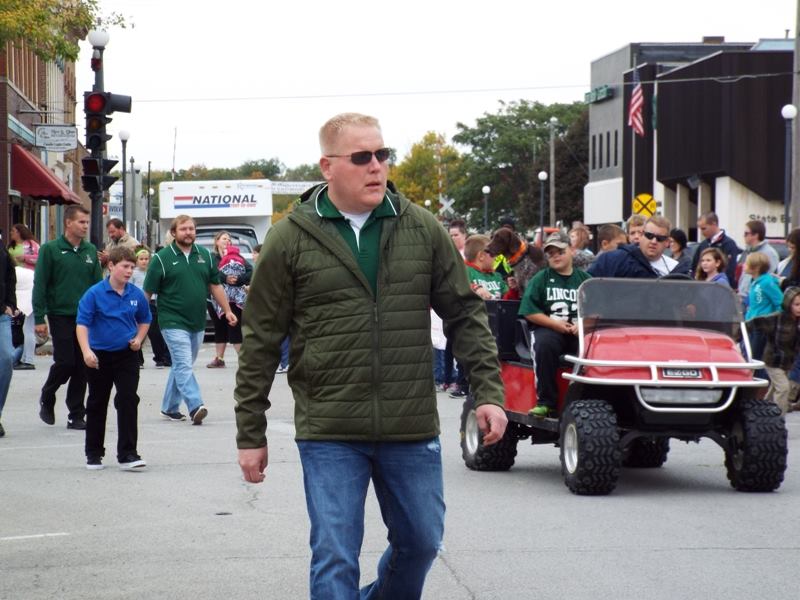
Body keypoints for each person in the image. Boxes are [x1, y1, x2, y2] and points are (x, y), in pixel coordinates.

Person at [235, 112, 506, 599]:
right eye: (362, 157)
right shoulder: (290, 238)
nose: (376, 166)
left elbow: (465, 313)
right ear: (328, 166)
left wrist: (488, 391)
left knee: (422, 543)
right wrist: (250, 432)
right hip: (330, 428)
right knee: (335, 554)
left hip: (409, 424)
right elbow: (260, 340)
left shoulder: (421, 228)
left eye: (383, 154)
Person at [143, 215, 238, 424]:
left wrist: (227, 310)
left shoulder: (205, 255)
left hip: (196, 321)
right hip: (172, 320)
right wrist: (139, 320)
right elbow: (147, 291)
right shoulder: (162, 258)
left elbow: (215, 285)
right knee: (184, 363)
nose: (188, 232)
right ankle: (195, 405)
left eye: (191, 229)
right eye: (183, 229)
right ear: (174, 233)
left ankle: (169, 407)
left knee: (181, 364)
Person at [76, 247, 151, 470]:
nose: (129, 271)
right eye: (125, 266)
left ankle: (128, 454)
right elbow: (82, 324)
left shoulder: (135, 294)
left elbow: (145, 319)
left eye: (132, 267)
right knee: (97, 402)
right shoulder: (94, 294)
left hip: (126, 354)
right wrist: (86, 351)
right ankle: (93, 453)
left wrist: (139, 339)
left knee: (128, 399)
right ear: (111, 266)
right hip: (99, 355)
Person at [33, 205, 102, 430]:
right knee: (66, 362)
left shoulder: (90, 251)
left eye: (87, 222)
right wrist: (39, 317)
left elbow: (97, 287)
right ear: (68, 222)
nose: (85, 226)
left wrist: (102, 314)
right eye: (81, 222)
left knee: (83, 366)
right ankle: (48, 393)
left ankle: (76, 414)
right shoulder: (50, 249)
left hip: (86, 318)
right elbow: (40, 284)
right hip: (60, 314)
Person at [519, 232, 591, 418]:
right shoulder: (540, 278)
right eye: (551, 253)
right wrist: (554, 324)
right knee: (544, 345)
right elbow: (529, 311)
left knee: (594, 348)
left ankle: (591, 399)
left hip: (578, 331)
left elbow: (598, 310)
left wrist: (583, 324)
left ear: (571, 251)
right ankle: (546, 403)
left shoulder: (585, 280)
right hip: (549, 328)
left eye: (560, 252)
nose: (556, 256)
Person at [747, 287, 800, 414]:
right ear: (788, 304)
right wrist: (737, 336)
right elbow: (753, 323)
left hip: (787, 363)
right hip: (773, 360)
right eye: (797, 304)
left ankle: (761, 412)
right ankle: (779, 419)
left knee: (773, 391)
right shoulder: (777, 318)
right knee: (783, 388)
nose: (799, 308)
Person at [589, 216, 691, 278]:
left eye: (660, 238)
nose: (653, 241)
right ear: (642, 236)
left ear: (667, 242)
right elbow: (587, 285)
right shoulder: (613, 259)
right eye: (649, 235)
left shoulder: (676, 270)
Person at [206, 231, 252, 368]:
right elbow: (209, 272)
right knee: (219, 328)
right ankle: (219, 359)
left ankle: (244, 361)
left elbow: (250, 271)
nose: (228, 241)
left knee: (234, 327)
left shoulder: (238, 257)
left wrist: (239, 279)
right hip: (215, 299)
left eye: (229, 239)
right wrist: (225, 278)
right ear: (217, 242)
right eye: (224, 239)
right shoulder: (211, 258)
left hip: (235, 300)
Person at [132, 248, 171, 368]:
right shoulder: (133, 273)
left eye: (146, 259)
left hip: (152, 303)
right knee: (137, 331)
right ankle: (138, 359)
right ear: (136, 260)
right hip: (137, 304)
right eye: (141, 259)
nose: (144, 261)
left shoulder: (153, 271)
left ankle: (160, 358)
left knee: (155, 332)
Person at [737, 220, 779, 306]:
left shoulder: (769, 253)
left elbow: (767, 278)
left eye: (746, 233)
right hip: (743, 298)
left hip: (756, 300)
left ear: (755, 235)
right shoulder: (749, 251)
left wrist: (750, 296)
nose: (743, 236)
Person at [690, 212, 740, 285]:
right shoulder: (703, 244)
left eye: (704, 228)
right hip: (702, 285)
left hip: (720, 286)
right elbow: (694, 267)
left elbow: (730, 270)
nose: (701, 232)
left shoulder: (728, 244)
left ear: (714, 224)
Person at [0, 243, 16, 438]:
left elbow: (10, 276)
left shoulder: (1, 248)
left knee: (6, 359)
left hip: (1, 314)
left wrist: (11, 304)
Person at [464, 234, 510, 299]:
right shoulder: (465, 271)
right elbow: (458, 286)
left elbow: (508, 300)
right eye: (493, 253)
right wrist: (475, 288)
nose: (496, 257)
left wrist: (513, 289)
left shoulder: (496, 276)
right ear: (481, 256)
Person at [12, 265, 34, 369]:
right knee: (28, 329)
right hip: (32, 292)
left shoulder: (8, 272)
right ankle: (26, 359)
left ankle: (28, 360)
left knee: (28, 330)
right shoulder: (15, 270)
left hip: (31, 293)